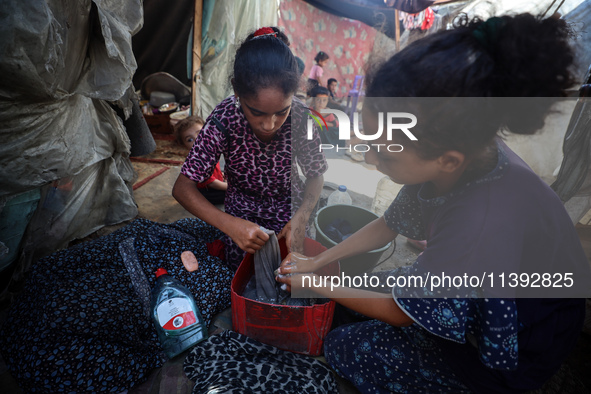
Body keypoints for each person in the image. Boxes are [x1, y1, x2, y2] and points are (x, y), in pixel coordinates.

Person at [277, 14, 589, 393]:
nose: (373, 160)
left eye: (386, 154)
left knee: (346, 345)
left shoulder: (481, 219)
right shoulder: (460, 155)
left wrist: (315, 283)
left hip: (522, 343)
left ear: (448, 160)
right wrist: (318, 263)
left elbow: (398, 313)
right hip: (487, 289)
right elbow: (389, 223)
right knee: (356, 291)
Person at [173, 27, 327, 271]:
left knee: (294, 278)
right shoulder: (224, 119)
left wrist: (302, 216)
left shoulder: (303, 119)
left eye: (281, 112)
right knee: (243, 276)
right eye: (256, 112)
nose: (269, 125)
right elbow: (182, 188)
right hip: (240, 215)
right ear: (236, 90)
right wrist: (230, 225)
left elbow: (316, 175)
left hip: (291, 212)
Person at [174, 116, 227, 205]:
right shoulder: (196, 161)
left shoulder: (210, 150)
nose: (197, 140)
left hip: (213, 181)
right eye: (190, 139)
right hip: (207, 190)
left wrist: (221, 175)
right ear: (184, 145)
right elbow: (212, 183)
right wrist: (229, 187)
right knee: (233, 194)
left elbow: (214, 169)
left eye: (200, 133)